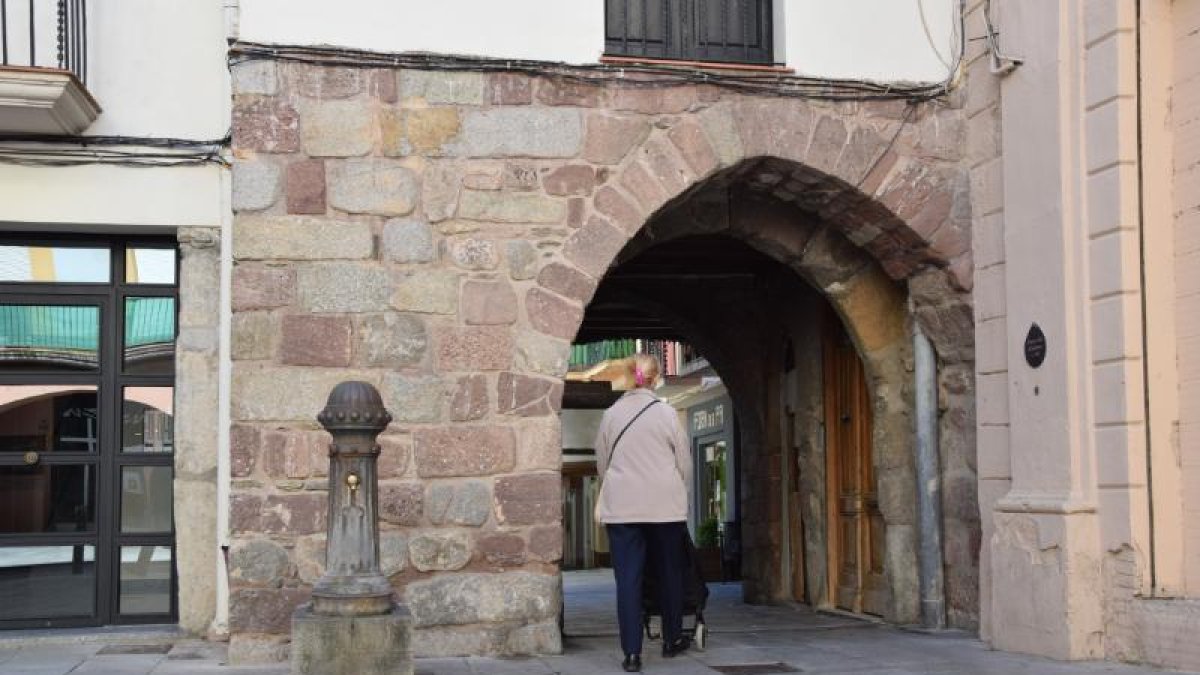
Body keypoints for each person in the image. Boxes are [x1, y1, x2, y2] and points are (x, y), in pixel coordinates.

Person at [594, 353, 694, 673]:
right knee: (669, 573)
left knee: (628, 580)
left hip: (622, 508)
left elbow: (602, 464)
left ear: (629, 376)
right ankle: (671, 640)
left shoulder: (611, 415)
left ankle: (632, 654)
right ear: (655, 378)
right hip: (665, 507)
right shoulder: (666, 414)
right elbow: (685, 463)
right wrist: (680, 493)